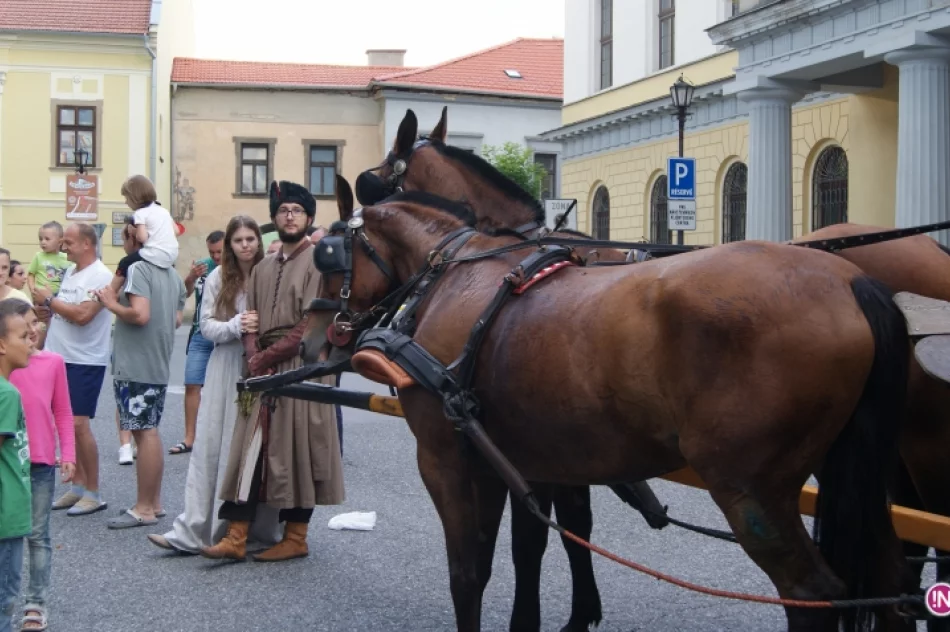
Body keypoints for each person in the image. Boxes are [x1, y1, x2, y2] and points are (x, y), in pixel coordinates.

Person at [200, 180, 343, 562]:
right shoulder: (263, 268)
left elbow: (310, 324)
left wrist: (265, 359)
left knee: (300, 450)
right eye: (283, 211)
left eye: (297, 210)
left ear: (308, 218)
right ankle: (236, 537)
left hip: (303, 367)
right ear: (275, 218)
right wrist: (253, 354)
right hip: (263, 367)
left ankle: (296, 537)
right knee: (250, 449)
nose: (289, 216)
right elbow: (250, 318)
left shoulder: (321, 262)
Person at [147, 216, 281, 553]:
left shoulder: (269, 273)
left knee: (257, 449)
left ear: (259, 241)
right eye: (239, 240)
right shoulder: (219, 277)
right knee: (213, 444)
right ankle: (197, 530)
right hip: (226, 366)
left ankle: (253, 530)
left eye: (250, 239)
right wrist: (237, 324)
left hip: (262, 366)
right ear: (230, 245)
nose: (246, 245)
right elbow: (206, 327)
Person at [95, 235, 186, 529]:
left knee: (144, 433)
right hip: (156, 363)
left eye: (126, 235)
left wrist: (111, 303)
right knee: (148, 432)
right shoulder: (172, 274)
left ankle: (145, 508)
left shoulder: (138, 269)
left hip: (136, 364)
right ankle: (153, 503)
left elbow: (139, 314)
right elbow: (175, 320)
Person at [40, 223, 114, 516]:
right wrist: (48, 309)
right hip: (59, 356)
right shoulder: (71, 271)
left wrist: (50, 300)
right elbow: (65, 309)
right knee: (66, 424)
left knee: (79, 424)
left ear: (87, 244)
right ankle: (79, 486)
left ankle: (94, 492)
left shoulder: (101, 275)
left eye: (68, 242)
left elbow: (83, 314)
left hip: (84, 360)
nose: (62, 246)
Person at [9, 302, 74, 632]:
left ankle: (35, 602)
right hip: (9, 463)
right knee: (7, 534)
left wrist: (69, 453)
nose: (32, 330)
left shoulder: (53, 362)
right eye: (25, 326)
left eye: (35, 322)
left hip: (41, 461)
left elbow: (62, 411)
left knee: (37, 534)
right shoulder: (8, 365)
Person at [0, 299, 37, 632]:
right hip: (5, 517)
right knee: (4, 599)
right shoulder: (6, 394)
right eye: (23, 336)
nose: (30, 341)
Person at [174, 230, 225, 456]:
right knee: (192, 383)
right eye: (212, 252)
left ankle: (220, 438)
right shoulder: (203, 266)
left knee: (224, 388)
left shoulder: (237, 267)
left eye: (220, 252)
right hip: (200, 332)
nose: (216, 257)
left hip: (225, 334)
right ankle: (189, 438)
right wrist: (191, 277)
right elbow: (184, 294)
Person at [119, 175, 179, 270]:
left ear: (134, 198)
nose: (126, 202)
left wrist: (134, 231)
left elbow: (142, 238)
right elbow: (176, 231)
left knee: (125, 262)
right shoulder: (163, 210)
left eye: (127, 198)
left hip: (154, 254)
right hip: (172, 254)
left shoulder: (140, 213)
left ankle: (116, 280)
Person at [26, 222, 70, 349]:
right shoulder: (39, 257)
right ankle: (39, 347)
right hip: (42, 296)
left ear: (60, 241)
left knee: (60, 323)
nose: (43, 242)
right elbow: (31, 274)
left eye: (47, 239)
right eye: (40, 239)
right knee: (43, 323)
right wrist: (33, 289)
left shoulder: (66, 258)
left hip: (61, 296)